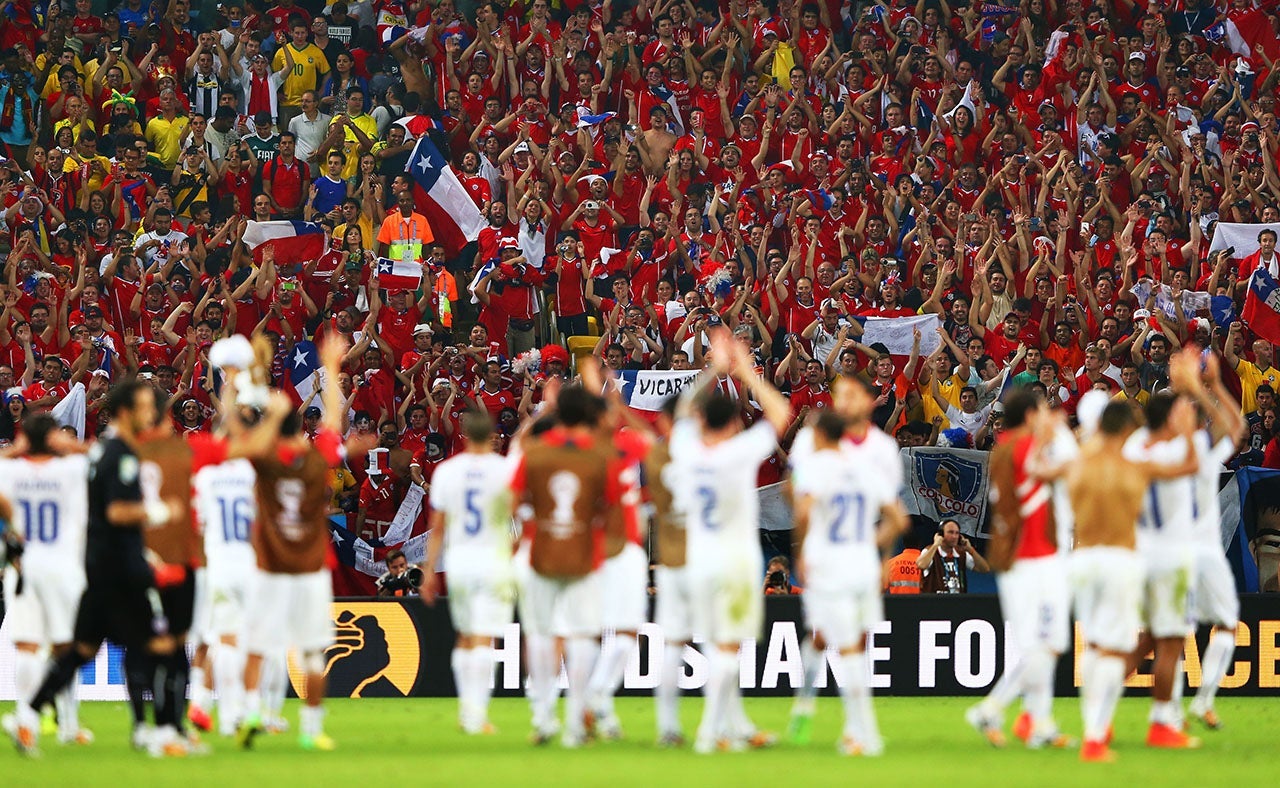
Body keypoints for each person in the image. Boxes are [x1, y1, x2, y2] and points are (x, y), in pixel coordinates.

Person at [11, 381, 185, 757]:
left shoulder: (104, 452)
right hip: (118, 566)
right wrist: (159, 512)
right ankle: (151, 731)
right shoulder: (119, 454)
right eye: (141, 406)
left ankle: (26, 715)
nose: (148, 413)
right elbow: (117, 511)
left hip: (92, 564)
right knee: (146, 644)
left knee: (81, 649)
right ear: (125, 411)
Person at [1041, 397, 1199, 763]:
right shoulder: (1135, 465)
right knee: (1113, 648)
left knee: (1095, 646)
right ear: (1126, 428)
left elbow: (1037, 472)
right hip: (1119, 560)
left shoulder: (1076, 463)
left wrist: (1048, 434)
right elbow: (1189, 465)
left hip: (1081, 560)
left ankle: (1094, 729)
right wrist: (1189, 431)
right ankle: (1095, 737)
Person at [669, 329, 790, 754]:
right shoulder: (739, 452)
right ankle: (708, 733)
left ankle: (735, 727)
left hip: (697, 560)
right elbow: (780, 411)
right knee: (726, 647)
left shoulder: (687, 450)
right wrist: (746, 373)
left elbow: (683, 412)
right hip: (735, 560)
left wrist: (712, 372)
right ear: (735, 422)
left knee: (718, 644)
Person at [237, 338, 352, 752]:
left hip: (268, 564)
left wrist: (254, 390)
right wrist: (332, 366)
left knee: (259, 645)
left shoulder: (263, 460)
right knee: (311, 653)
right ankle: (311, 728)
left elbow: (245, 440)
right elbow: (335, 422)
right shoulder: (317, 459)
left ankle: (252, 712)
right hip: (309, 567)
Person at [789, 390, 908, 756]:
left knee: (843, 646)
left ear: (820, 436)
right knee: (842, 642)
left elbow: (804, 510)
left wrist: (802, 550)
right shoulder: (865, 468)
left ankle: (859, 733)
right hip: (861, 566)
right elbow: (899, 519)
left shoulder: (817, 466)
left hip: (828, 566)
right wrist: (869, 545)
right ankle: (809, 706)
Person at [510, 384, 621, 748]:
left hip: (539, 554)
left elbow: (511, 504)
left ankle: (543, 717)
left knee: (540, 635)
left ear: (557, 414)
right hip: (583, 556)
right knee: (581, 636)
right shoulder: (600, 456)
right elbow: (612, 510)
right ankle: (576, 722)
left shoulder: (535, 453)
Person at [965, 390, 1071, 749]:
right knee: (1048, 643)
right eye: (1041, 410)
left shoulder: (1008, 446)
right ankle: (991, 709)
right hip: (1034, 557)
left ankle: (1040, 725)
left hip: (1023, 557)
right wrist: (1059, 437)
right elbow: (1059, 470)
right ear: (1029, 415)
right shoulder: (1022, 447)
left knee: (1040, 645)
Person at [1121, 360, 1207, 750]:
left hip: (1143, 555)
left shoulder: (1135, 447)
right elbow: (1193, 461)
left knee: (1149, 639)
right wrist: (1190, 417)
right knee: (1171, 641)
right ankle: (1161, 724)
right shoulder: (1175, 450)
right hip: (1171, 558)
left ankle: (1100, 700)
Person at [420, 409, 516, 735]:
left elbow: (437, 529)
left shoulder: (447, 471)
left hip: (459, 560)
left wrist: (429, 570)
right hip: (493, 560)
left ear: (463, 434)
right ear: (491, 435)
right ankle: (477, 715)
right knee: (483, 636)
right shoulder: (504, 470)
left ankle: (466, 711)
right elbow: (517, 517)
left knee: (465, 634)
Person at [0, 415, 92, 749]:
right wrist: (72, 445)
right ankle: (68, 725)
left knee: (27, 646)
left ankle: (27, 720)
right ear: (54, 439)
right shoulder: (70, 470)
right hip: (64, 568)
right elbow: (102, 456)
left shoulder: (11, 471)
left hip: (25, 567)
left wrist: (15, 450)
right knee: (66, 647)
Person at [1182, 353, 1247, 729]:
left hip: (1174, 553)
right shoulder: (1201, 460)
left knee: (1171, 634)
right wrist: (1210, 386)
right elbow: (1236, 425)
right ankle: (1201, 701)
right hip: (1204, 553)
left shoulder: (1157, 456)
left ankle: (1172, 711)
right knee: (1225, 625)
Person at [644, 396, 691, 747]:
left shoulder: (655, 455)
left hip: (671, 558)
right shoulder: (710, 452)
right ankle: (725, 727)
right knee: (725, 642)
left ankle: (667, 727)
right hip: (705, 558)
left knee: (672, 643)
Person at [916, 519, 989, 593]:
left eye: (957, 533)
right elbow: (921, 565)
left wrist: (970, 550)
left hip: (956, 602)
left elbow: (985, 569)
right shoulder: (930, 551)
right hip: (935, 603)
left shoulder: (961, 554)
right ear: (941, 535)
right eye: (950, 532)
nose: (954, 536)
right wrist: (935, 545)